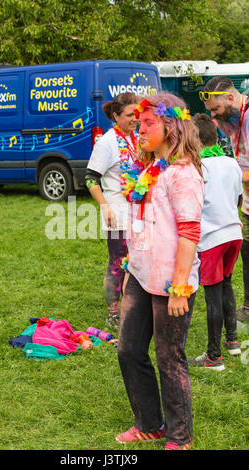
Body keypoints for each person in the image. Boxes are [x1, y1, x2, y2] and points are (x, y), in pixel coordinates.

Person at [116, 93, 204, 450]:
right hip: (140, 275)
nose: (140, 128)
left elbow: (189, 233)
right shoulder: (150, 170)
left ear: (171, 125)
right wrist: (128, 271)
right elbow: (140, 227)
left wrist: (180, 286)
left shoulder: (182, 174)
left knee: (170, 359)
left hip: (172, 283)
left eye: (148, 123)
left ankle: (179, 437)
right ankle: (150, 424)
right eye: (138, 123)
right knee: (128, 350)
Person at [188, 114, 243, 371]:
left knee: (212, 295)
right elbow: (239, 198)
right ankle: (232, 342)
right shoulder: (231, 163)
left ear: (195, 139)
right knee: (227, 285)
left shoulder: (197, 167)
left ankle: (213, 356)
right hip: (234, 233)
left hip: (212, 238)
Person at [85, 92, 139, 330]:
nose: (134, 119)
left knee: (136, 262)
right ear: (116, 116)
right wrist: (104, 206)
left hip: (138, 212)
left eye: (136, 114)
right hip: (117, 211)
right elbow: (90, 178)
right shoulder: (106, 142)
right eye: (129, 115)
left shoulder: (137, 137)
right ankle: (113, 314)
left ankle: (133, 308)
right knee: (118, 262)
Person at [200, 77, 249, 322]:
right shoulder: (230, 120)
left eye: (216, 110)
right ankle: (248, 308)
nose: (214, 117)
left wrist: (227, 170)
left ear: (230, 98)